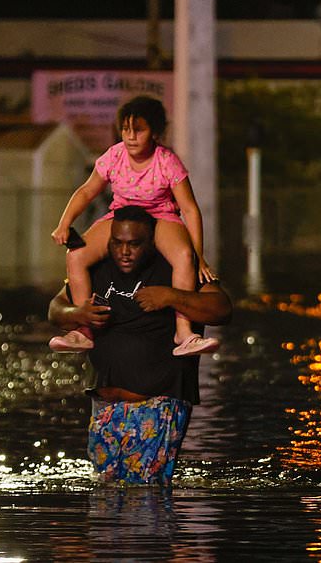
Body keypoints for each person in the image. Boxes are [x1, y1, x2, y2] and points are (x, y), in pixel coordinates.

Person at [47, 205, 232, 485]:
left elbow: (221, 308)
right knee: (106, 490)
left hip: (157, 403)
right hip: (105, 406)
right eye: (117, 243)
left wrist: (171, 297)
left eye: (134, 244)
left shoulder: (177, 267)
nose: (124, 251)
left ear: (152, 243)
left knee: (145, 495)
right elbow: (56, 308)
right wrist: (77, 314)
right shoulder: (96, 267)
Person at [49, 95, 217, 356]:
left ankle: (183, 332)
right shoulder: (114, 156)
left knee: (184, 256)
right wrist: (64, 223)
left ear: (155, 131)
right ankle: (83, 331)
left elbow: (189, 209)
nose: (131, 136)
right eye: (125, 129)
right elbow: (86, 191)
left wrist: (199, 256)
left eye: (138, 129)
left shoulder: (167, 161)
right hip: (122, 217)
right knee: (76, 255)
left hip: (159, 216)